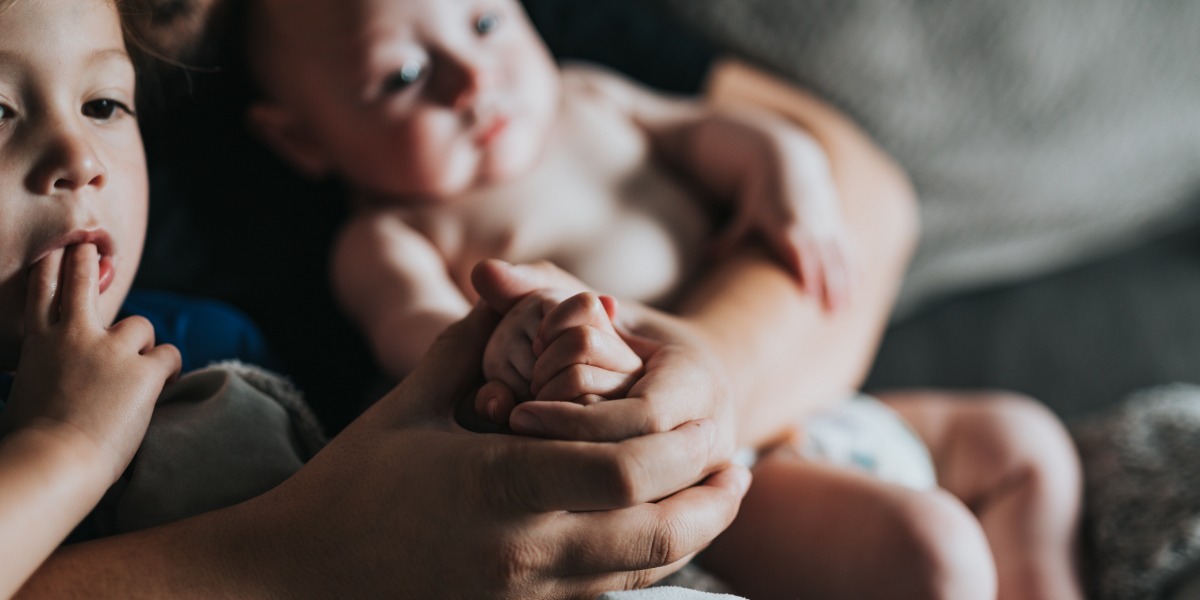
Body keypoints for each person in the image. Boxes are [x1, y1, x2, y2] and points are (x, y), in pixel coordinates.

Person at [240, 0, 1084, 598]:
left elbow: (715, 134)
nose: (472, 79)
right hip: (693, 482)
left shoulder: (591, 96)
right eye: (405, 74)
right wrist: (508, 339)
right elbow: (419, 338)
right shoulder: (391, 237)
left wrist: (787, 172)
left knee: (1025, 442)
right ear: (301, 136)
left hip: (803, 400)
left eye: (487, 21)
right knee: (937, 556)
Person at [0, 2, 752, 597]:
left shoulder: (213, 340)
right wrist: (67, 443)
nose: (79, 158)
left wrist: (566, 353)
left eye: (104, 104)